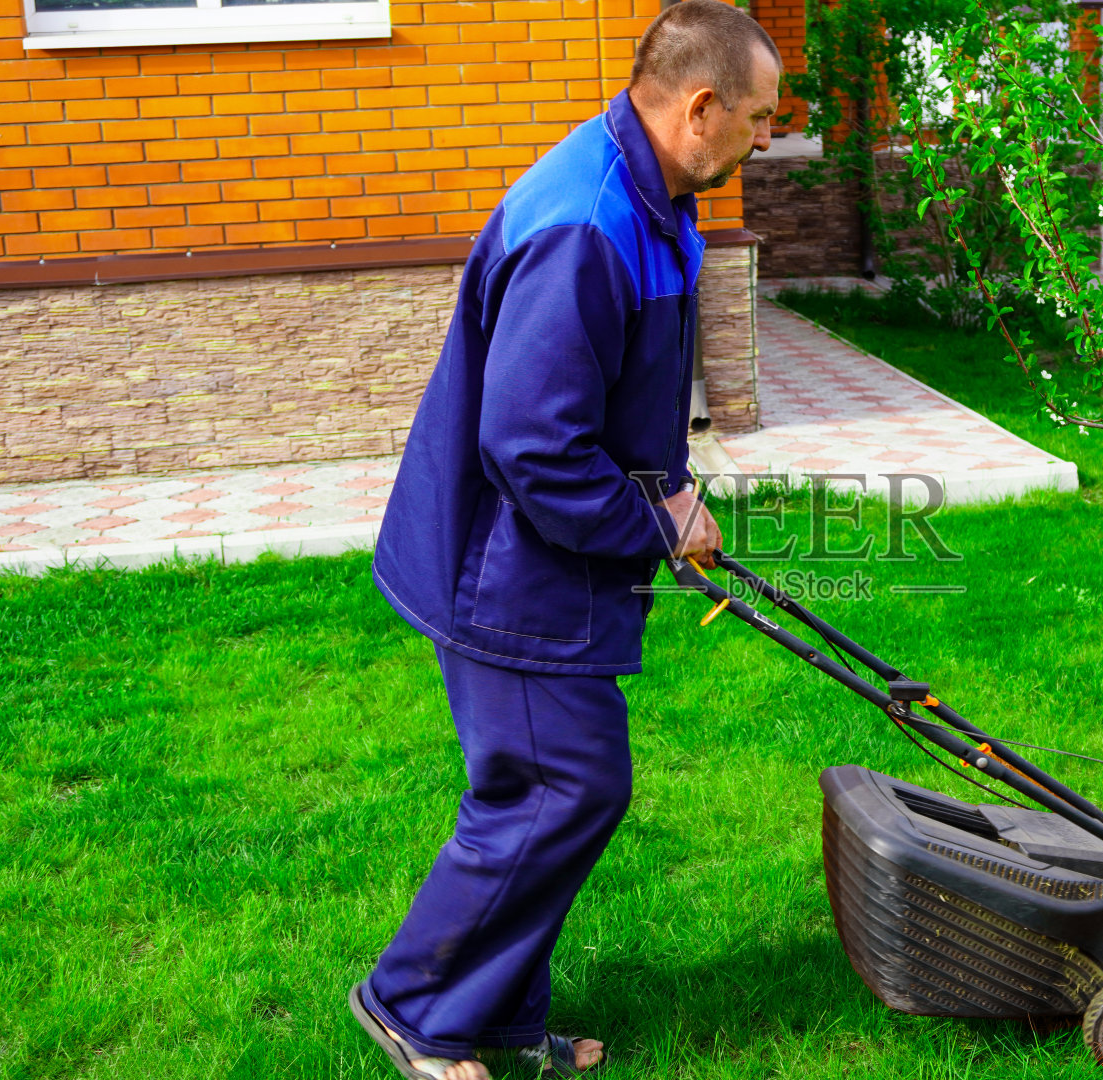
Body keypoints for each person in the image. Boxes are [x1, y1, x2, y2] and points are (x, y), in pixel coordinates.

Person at [346, 4, 780, 1077]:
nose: (767, 137)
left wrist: (672, 490)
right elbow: (533, 446)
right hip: (502, 564)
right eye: (761, 117)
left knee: (561, 788)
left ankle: (493, 1014)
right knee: (555, 787)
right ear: (701, 107)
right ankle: (412, 1004)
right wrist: (652, 525)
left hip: (545, 554)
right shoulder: (589, 221)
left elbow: (619, 386)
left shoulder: (651, 192)